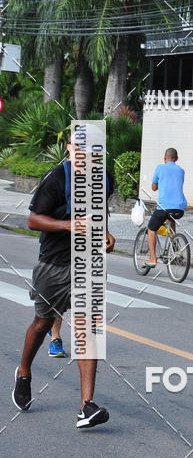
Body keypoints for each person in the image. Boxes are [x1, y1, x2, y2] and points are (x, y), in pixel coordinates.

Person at [12, 126, 115, 428]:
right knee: (43, 323)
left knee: (88, 329)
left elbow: (100, 212)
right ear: (70, 149)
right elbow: (32, 220)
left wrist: (106, 234)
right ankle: (23, 371)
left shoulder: (104, 178)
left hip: (89, 264)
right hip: (54, 265)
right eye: (81, 149)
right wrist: (69, 226)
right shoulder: (57, 178)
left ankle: (87, 406)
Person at [144, 147, 187, 268]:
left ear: (164, 158)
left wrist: (158, 185)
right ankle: (175, 249)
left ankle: (152, 259)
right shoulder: (181, 170)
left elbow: (153, 187)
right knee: (170, 221)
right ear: (177, 158)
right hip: (179, 208)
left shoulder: (160, 167)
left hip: (164, 206)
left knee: (151, 229)